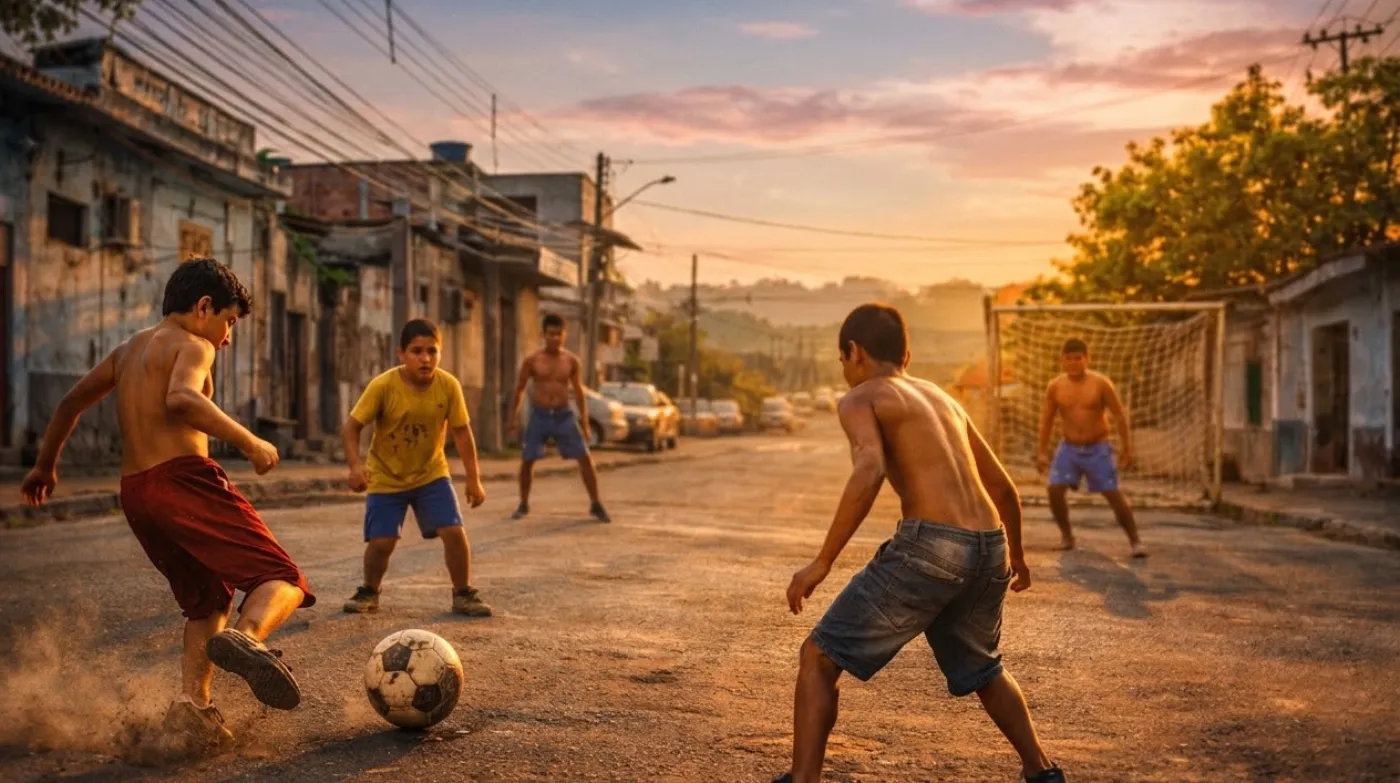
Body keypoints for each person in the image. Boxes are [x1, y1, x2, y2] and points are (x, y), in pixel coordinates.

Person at [19, 258, 314, 757]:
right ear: (204, 308)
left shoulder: (126, 350)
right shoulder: (194, 343)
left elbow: (69, 403)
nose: (226, 338)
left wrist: (45, 467)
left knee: (206, 602)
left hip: (136, 493)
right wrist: (250, 441)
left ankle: (194, 709)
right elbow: (180, 398)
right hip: (184, 480)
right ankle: (248, 639)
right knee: (281, 579)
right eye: (229, 322)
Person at [775, 303, 1064, 783]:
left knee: (819, 657)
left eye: (842, 359)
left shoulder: (862, 397)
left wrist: (821, 562)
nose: (845, 369)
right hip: (989, 546)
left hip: (933, 547)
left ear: (854, 352)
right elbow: (1004, 487)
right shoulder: (943, 398)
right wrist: (1018, 556)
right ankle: (1043, 773)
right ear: (906, 354)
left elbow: (869, 469)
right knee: (985, 669)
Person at [341, 319, 492, 617]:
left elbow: (462, 433)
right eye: (417, 351)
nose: (425, 359)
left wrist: (474, 479)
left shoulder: (448, 386)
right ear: (401, 354)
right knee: (382, 542)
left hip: (430, 473)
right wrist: (356, 466)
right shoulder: (384, 386)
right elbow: (352, 427)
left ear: (440, 353)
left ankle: (463, 593)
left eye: (432, 351)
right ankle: (369, 590)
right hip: (386, 474)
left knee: (453, 531)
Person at [1035, 338, 1147, 557]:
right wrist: (1040, 452)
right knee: (1054, 490)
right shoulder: (1056, 386)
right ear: (1062, 361)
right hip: (1068, 448)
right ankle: (1067, 537)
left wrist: (1127, 448)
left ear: (1087, 359)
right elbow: (1046, 420)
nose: (1074, 363)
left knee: (1112, 493)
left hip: (1098, 448)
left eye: (1078, 358)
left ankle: (1135, 541)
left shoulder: (1101, 383)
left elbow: (1119, 415)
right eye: (1069, 359)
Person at [505, 313, 609, 523]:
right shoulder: (533, 361)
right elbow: (520, 390)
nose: (554, 338)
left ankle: (596, 504)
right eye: (550, 334)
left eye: (558, 334)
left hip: (564, 415)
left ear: (564, 334)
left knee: (585, 458)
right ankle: (523, 504)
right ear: (544, 334)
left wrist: (586, 424)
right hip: (540, 414)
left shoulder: (571, 361)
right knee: (527, 460)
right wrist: (513, 420)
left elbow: (579, 392)